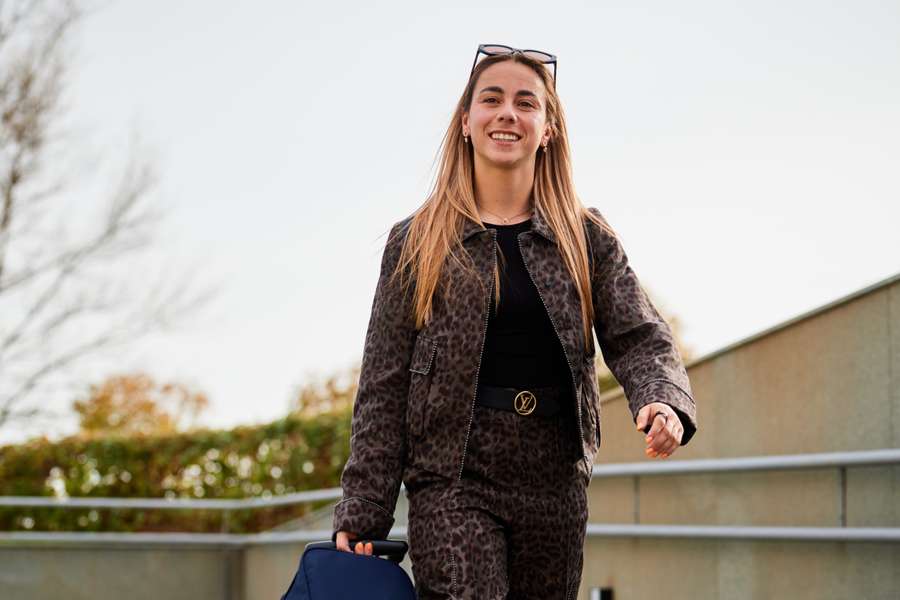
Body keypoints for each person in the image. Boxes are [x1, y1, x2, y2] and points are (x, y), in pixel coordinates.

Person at [331, 44, 698, 599]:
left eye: (527, 102)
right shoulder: (416, 241)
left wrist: (660, 398)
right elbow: (383, 382)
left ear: (547, 128)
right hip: (453, 477)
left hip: (555, 481)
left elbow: (639, 334)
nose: (508, 112)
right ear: (466, 123)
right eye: (492, 99)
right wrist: (364, 505)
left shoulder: (586, 235)